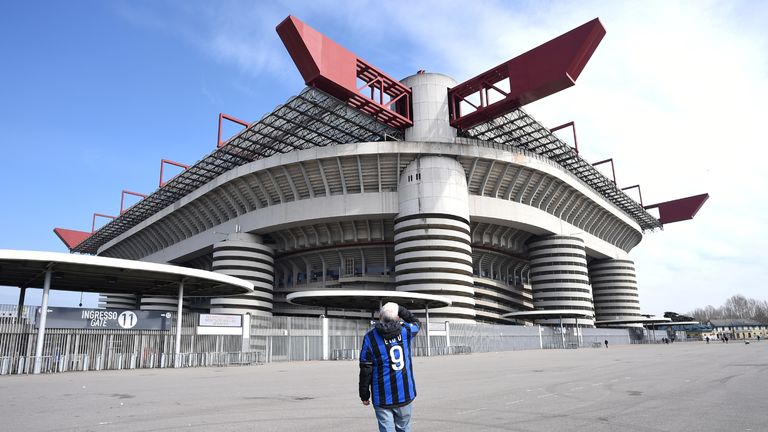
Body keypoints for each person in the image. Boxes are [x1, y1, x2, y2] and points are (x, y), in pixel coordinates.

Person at [359, 302, 420, 432]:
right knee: (404, 428)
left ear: (380, 316)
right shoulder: (406, 331)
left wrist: (364, 395)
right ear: (397, 317)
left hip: (382, 396)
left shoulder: (370, 338)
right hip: (405, 393)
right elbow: (416, 322)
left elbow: (365, 368)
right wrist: (400, 309)